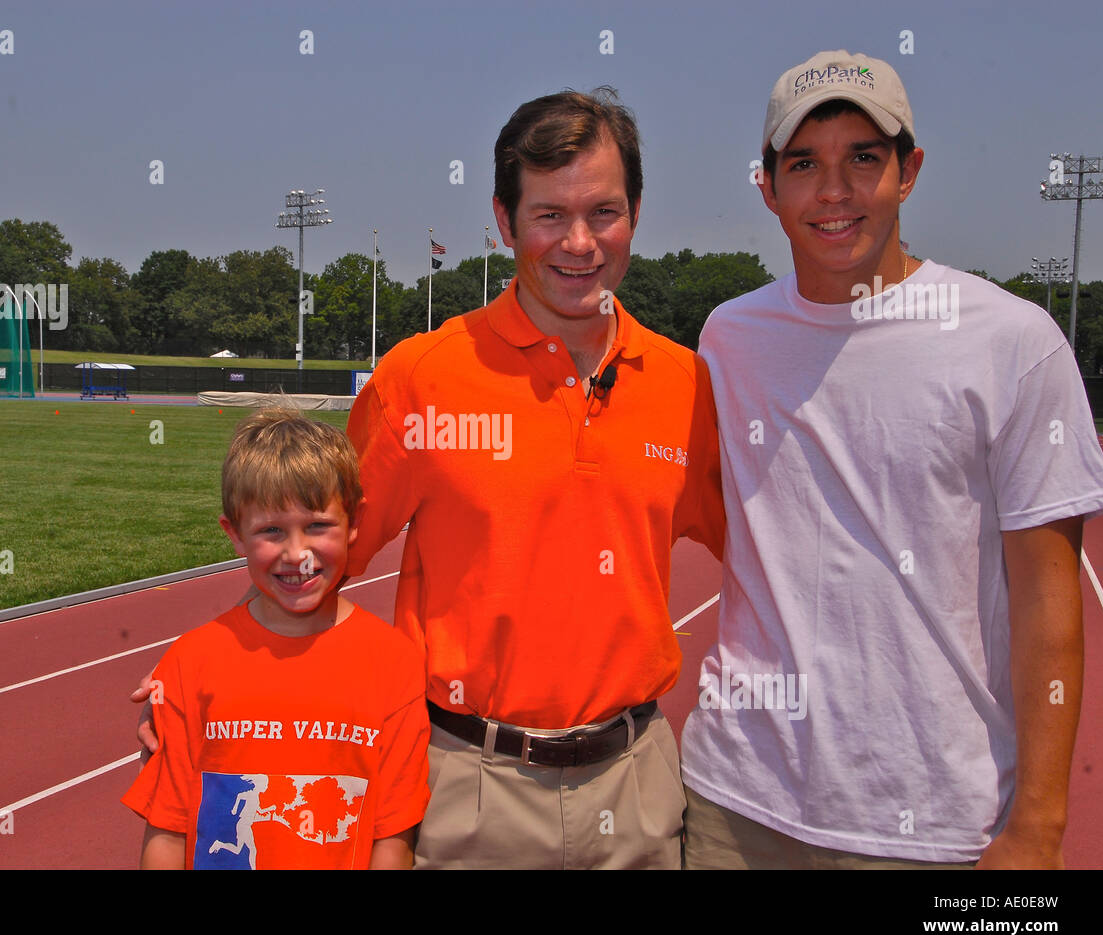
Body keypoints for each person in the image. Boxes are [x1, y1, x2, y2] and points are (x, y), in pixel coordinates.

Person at [135, 88, 725, 869]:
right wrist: (214, 678)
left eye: (603, 212)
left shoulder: (688, 387)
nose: (579, 243)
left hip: (637, 789)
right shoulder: (422, 379)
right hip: (464, 790)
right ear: (504, 219)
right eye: (549, 215)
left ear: (638, 212)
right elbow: (317, 552)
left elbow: (767, 564)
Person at [680, 49, 1103, 868]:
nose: (833, 191)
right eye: (804, 163)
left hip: (935, 821)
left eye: (863, 159)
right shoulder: (728, 338)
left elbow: (1051, 609)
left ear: (908, 171)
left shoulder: (1012, 342)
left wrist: (1040, 827)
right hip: (736, 806)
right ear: (768, 187)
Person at [122, 408, 430, 869]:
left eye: (318, 525)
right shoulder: (191, 662)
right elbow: (167, 830)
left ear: (354, 522)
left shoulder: (394, 665)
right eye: (270, 530)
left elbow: (394, 838)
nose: (297, 554)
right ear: (235, 534)